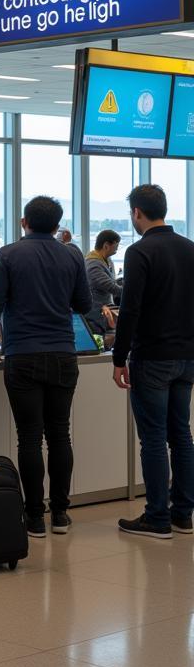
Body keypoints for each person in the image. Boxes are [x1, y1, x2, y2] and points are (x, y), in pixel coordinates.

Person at [0, 196, 92, 538]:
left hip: (22, 354)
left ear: (24, 221)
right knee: (60, 434)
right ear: (57, 226)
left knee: (29, 437)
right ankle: (60, 514)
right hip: (63, 354)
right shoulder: (71, 255)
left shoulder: (9, 254)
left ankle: (34, 517)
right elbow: (84, 303)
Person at [113, 184, 194, 539]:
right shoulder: (190, 248)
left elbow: (130, 309)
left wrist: (119, 357)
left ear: (137, 213)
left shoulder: (139, 252)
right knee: (182, 435)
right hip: (187, 358)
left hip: (152, 358)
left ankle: (157, 517)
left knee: (154, 439)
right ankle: (183, 515)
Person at [85, 229, 122, 336]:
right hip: (95, 315)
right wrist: (134, 291)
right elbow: (112, 287)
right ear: (106, 245)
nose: (117, 249)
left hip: (106, 312)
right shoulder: (93, 265)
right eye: (116, 246)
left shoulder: (107, 260)